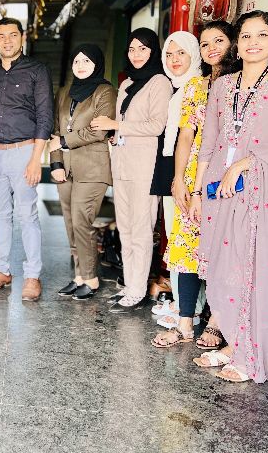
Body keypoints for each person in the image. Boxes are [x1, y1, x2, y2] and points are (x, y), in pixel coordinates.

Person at [190, 11, 268, 383]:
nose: (253, 43)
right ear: (237, 45)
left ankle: (250, 354)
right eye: (245, 36)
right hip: (220, 191)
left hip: (262, 192)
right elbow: (208, 144)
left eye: (262, 35)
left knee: (254, 267)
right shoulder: (224, 86)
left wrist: (245, 163)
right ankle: (236, 344)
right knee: (225, 270)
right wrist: (197, 192)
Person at [151, 22, 233, 349]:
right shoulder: (196, 86)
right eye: (205, 43)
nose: (211, 48)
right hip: (192, 175)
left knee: (224, 249)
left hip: (226, 175)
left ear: (232, 44)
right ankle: (185, 323)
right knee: (186, 246)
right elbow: (186, 135)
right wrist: (178, 179)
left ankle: (216, 322)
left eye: (219, 41)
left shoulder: (240, 83)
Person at [91, 27, 172, 313]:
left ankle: (138, 291)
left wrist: (116, 125)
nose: (136, 54)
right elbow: (122, 123)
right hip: (123, 162)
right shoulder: (126, 83)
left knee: (141, 228)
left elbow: (156, 126)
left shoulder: (160, 82)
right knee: (125, 228)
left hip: (145, 166)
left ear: (153, 51)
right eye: (132, 49)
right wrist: (115, 134)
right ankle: (130, 285)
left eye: (143, 48)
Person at [0, 17, 52, 301]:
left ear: (22, 37)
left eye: (12, 35)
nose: (7, 40)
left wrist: (36, 159)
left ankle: (32, 276)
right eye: (1, 36)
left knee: (27, 215)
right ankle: (1, 270)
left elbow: (45, 116)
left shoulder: (37, 70)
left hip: (24, 151)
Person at [48, 44, 117, 300]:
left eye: (87, 61)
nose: (80, 65)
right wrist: (56, 164)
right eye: (77, 61)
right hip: (65, 168)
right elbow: (55, 131)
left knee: (81, 222)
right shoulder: (64, 92)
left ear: (96, 64)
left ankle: (91, 278)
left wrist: (64, 142)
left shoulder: (105, 91)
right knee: (70, 223)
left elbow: (100, 131)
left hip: (93, 168)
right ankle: (78, 276)